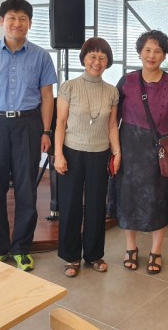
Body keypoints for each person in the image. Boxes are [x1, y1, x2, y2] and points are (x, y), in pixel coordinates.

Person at [0, 0, 57, 272]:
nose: (17, 23)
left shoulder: (41, 56)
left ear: (30, 23)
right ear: (1, 21)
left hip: (28, 125)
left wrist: (46, 131)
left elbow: (47, 96)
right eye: (12, 18)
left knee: (26, 189)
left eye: (22, 19)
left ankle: (21, 248)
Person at [112, 30, 168, 274]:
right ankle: (131, 247)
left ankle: (157, 250)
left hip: (161, 152)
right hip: (130, 149)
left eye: (157, 51)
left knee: (160, 200)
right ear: (139, 53)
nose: (152, 55)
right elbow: (113, 119)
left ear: (164, 55)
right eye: (147, 50)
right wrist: (115, 150)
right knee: (129, 199)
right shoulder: (127, 81)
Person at [54, 37, 120, 278]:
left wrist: (117, 152)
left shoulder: (112, 91)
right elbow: (60, 123)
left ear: (107, 62)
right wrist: (58, 154)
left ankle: (93, 254)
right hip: (72, 152)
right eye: (93, 56)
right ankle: (71, 256)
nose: (97, 62)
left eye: (102, 57)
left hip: (100, 153)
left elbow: (112, 125)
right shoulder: (69, 87)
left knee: (96, 206)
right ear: (84, 59)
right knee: (70, 205)